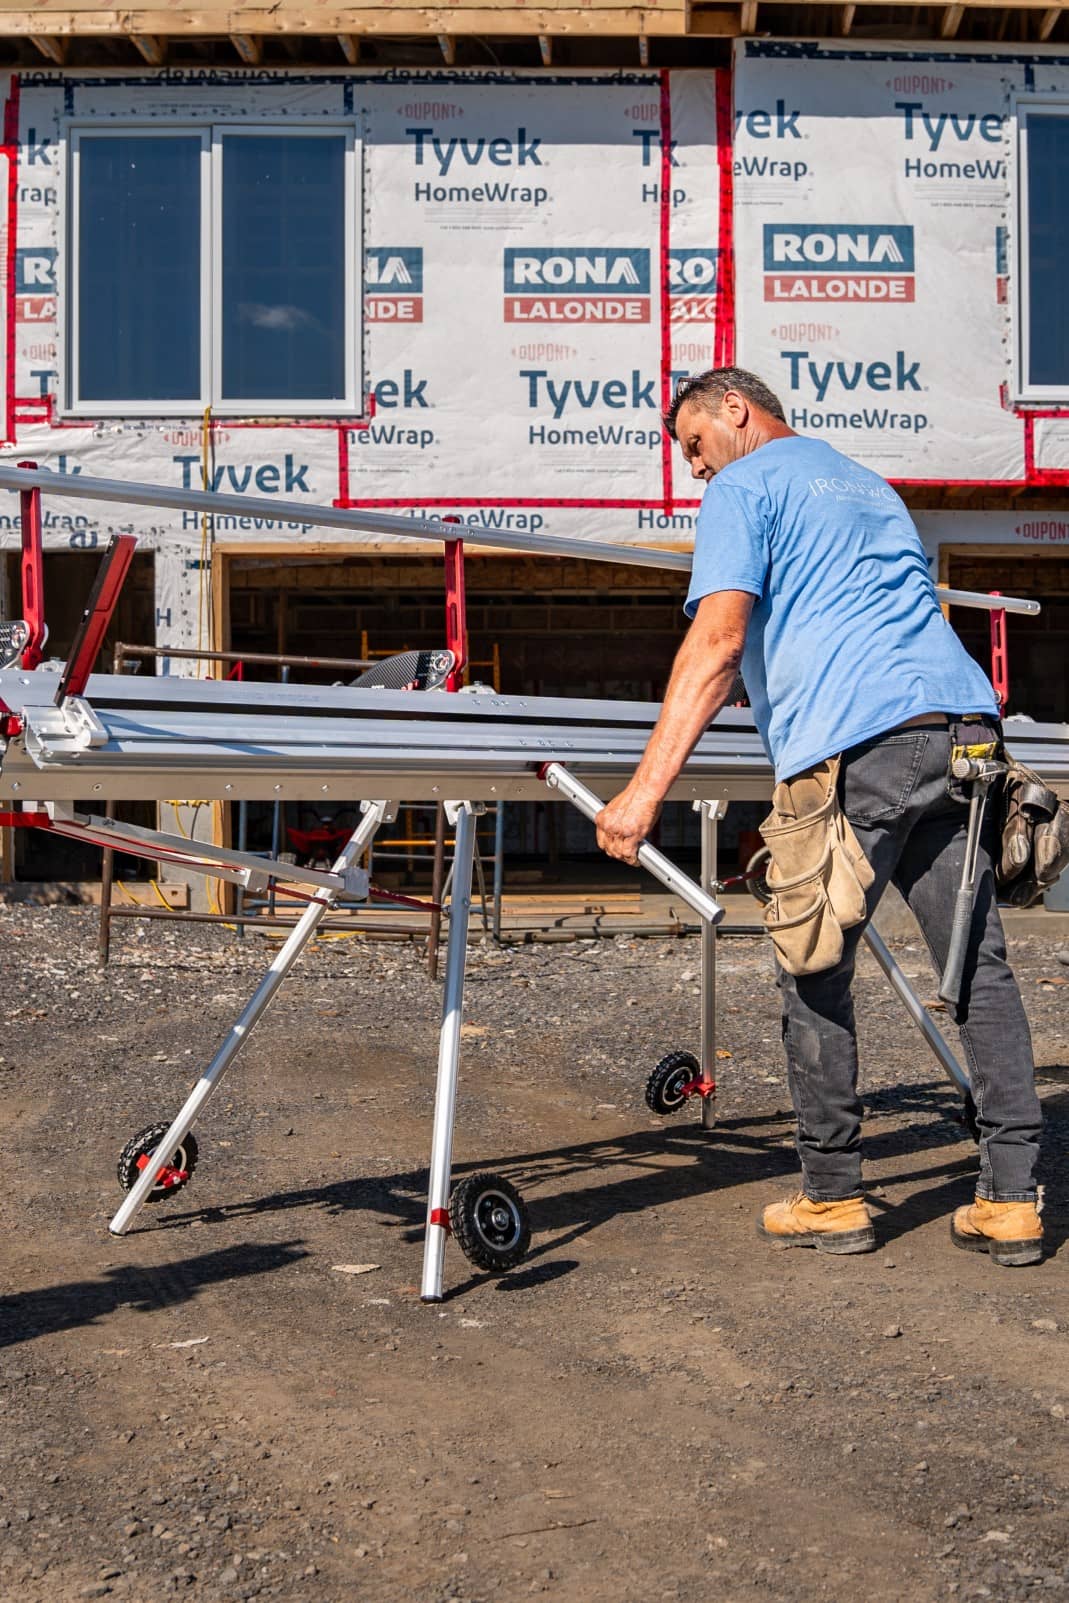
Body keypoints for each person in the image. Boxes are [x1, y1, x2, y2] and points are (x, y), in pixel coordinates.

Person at [595, 367, 1044, 1267]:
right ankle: (1011, 1200)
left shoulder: (745, 484)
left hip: (854, 742)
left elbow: (719, 640)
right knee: (978, 967)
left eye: (693, 444)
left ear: (735, 408)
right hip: (960, 728)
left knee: (813, 956)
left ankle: (833, 1196)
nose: (694, 469)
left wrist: (643, 790)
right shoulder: (866, 484)